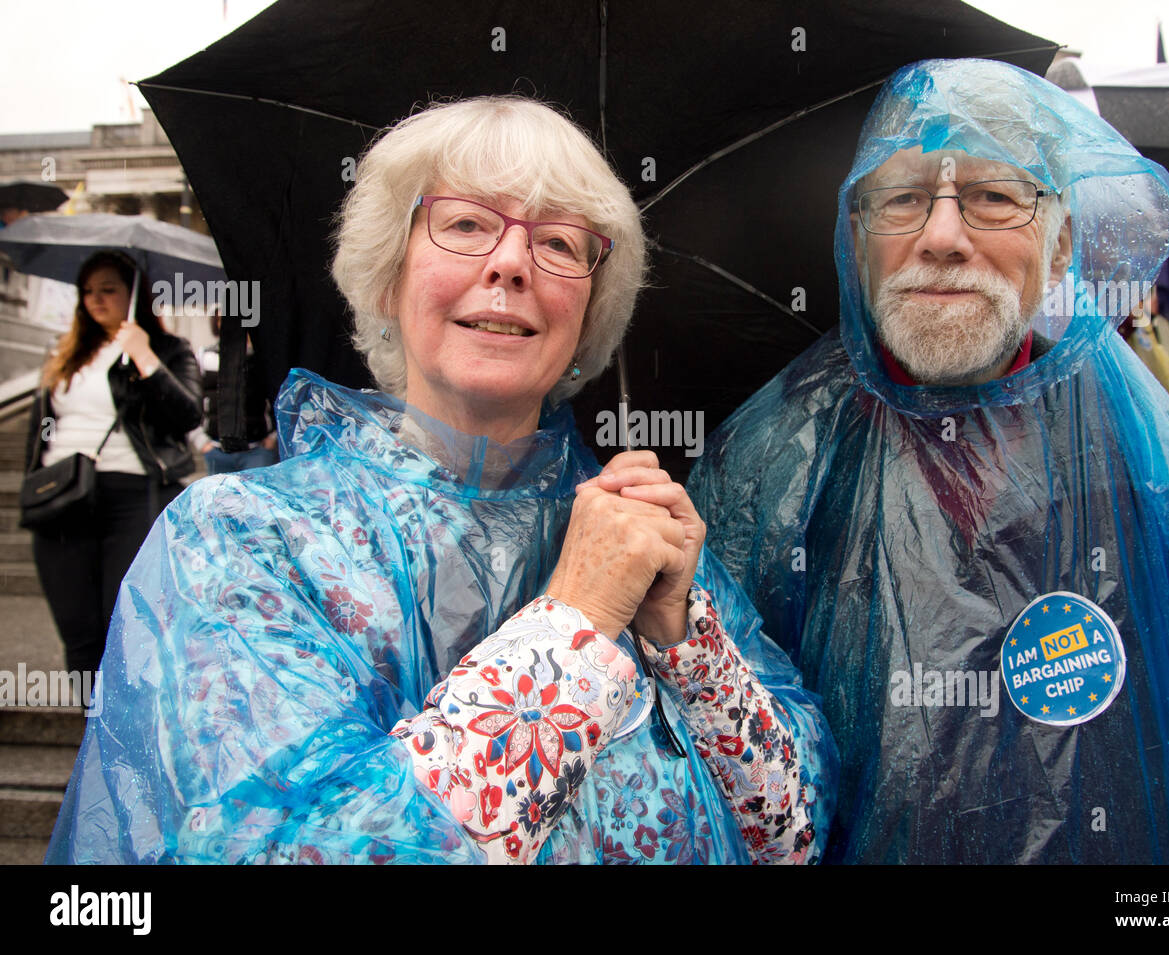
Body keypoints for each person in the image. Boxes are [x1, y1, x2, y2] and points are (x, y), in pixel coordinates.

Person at [46, 97, 834, 865]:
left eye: (559, 243)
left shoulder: (647, 542)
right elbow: (280, 846)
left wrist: (684, 640)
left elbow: (788, 837)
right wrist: (576, 625)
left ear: (588, 313)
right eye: (464, 224)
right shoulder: (238, 539)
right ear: (388, 280)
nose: (510, 262)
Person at [689, 59, 1169, 863]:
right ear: (856, 237)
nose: (942, 237)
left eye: (993, 196)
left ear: (1061, 244)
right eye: (903, 196)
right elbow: (720, 732)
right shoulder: (776, 451)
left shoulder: (1127, 423)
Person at [25, 249, 202, 677]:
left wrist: (144, 357)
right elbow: (41, 428)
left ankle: (125, 737)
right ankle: (93, 734)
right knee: (78, 631)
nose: (95, 299)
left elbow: (188, 414)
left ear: (134, 295)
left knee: (123, 627)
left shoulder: (167, 349)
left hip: (133, 494)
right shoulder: (65, 354)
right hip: (64, 499)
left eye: (108, 289)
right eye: (88, 291)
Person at [195, 312, 279, 475]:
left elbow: (277, 397)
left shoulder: (262, 357)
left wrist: (273, 438)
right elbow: (194, 400)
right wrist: (201, 441)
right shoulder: (204, 357)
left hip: (256, 449)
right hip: (216, 450)